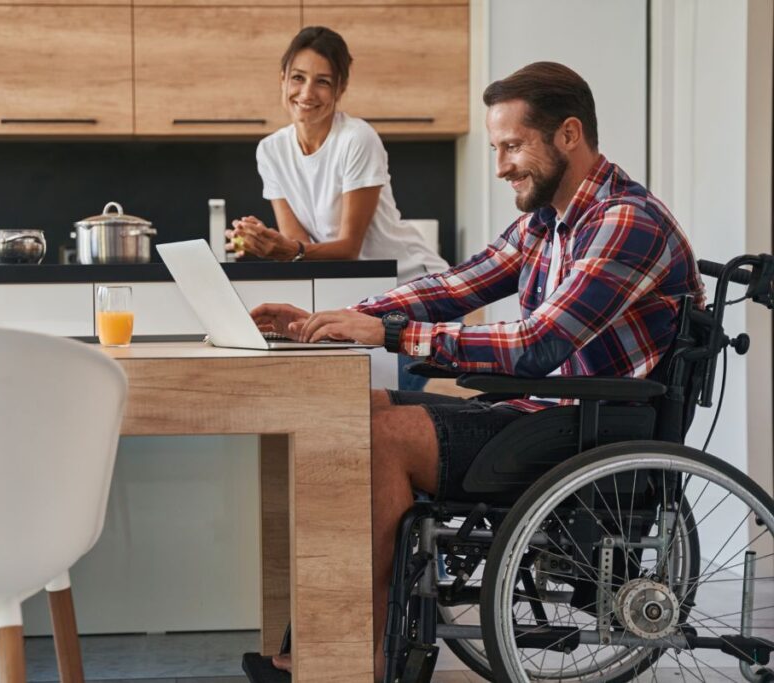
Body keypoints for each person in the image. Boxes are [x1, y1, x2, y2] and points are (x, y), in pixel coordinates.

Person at [250, 61, 704, 681]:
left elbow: (538, 345)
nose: (500, 166)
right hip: (551, 412)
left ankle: (364, 652)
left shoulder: (624, 221)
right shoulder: (548, 223)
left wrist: (388, 332)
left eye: (513, 146)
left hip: (594, 429)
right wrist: (333, 317)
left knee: (384, 438)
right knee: (360, 410)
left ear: (568, 135)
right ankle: (332, 630)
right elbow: (456, 285)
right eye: (497, 147)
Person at [225, 25, 450, 391]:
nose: (307, 93)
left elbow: (348, 248)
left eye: (323, 82)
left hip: (410, 290)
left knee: (382, 408)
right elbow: (300, 248)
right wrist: (264, 242)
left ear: (340, 89)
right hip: (360, 297)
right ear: (282, 79)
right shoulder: (271, 151)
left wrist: (287, 249)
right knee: (360, 408)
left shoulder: (356, 140)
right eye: (297, 77)